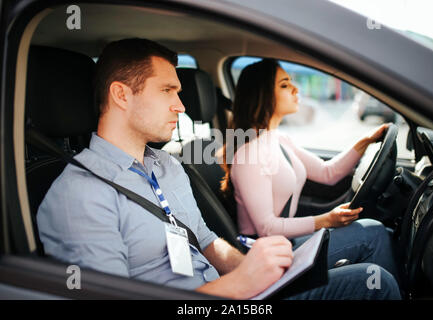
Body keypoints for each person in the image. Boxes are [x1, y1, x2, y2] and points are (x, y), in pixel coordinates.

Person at [37, 39, 400, 300]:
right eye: (167, 90)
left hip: (234, 290)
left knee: (373, 267)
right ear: (121, 94)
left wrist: (251, 271)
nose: (181, 106)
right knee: (376, 281)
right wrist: (239, 286)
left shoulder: (167, 166)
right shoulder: (79, 193)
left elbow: (207, 242)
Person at [222, 58, 399, 284]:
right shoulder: (248, 154)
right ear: (262, 94)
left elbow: (329, 173)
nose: (295, 88)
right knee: (373, 234)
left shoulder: (279, 139)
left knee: (377, 230)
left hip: (285, 242)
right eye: (285, 85)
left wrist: (365, 141)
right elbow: (266, 228)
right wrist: (326, 220)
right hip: (265, 255)